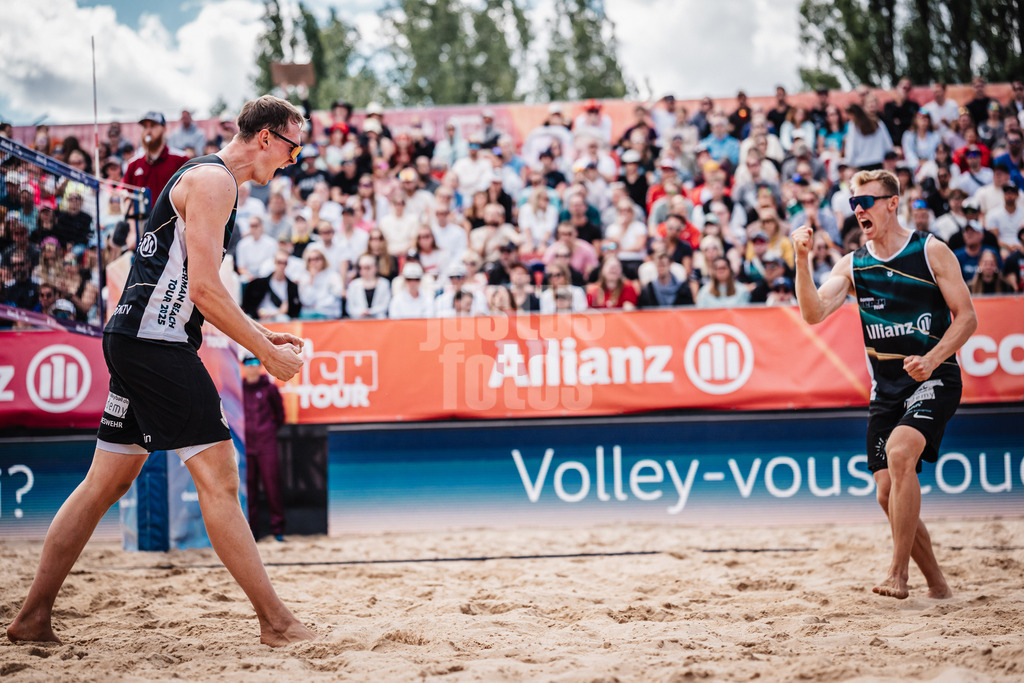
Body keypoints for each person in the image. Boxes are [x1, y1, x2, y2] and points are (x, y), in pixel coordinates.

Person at [7, 95, 314, 647]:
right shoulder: (215, 181)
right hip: (156, 345)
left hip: (136, 339)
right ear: (266, 137)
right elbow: (201, 289)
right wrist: (264, 355)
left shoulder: (213, 182)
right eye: (294, 148)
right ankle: (277, 623)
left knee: (106, 482)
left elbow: (201, 291)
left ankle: (32, 617)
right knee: (220, 478)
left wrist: (264, 336)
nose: (295, 160)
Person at [793, 169, 978, 600]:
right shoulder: (855, 264)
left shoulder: (930, 251)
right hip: (887, 390)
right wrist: (801, 261)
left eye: (867, 201)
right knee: (885, 494)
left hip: (934, 376)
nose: (858, 210)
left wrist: (932, 358)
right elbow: (813, 312)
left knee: (899, 455)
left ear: (892, 203)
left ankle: (899, 573)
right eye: (853, 203)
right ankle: (938, 584)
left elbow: (967, 317)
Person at [240, 354, 286, 542]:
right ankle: (252, 532)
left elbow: (280, 416)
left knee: (272, 487)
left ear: (260, 366)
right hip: (246, 446)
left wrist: (268, 432)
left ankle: (278, 531)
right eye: (248, 362)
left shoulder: (270, 389)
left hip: (266, 445)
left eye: (255, 362)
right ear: (243, 366)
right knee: (248, 490)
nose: (252, 366)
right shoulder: (238, 389)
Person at [122, 111, 188, 211]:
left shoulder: (180, 159)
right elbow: (127, 199)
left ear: (164, 129)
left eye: (153, 126)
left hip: (172, 224)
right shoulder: (133, 164)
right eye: (145, 127)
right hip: (143, 224)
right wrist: (133, 226)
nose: (148, 131)